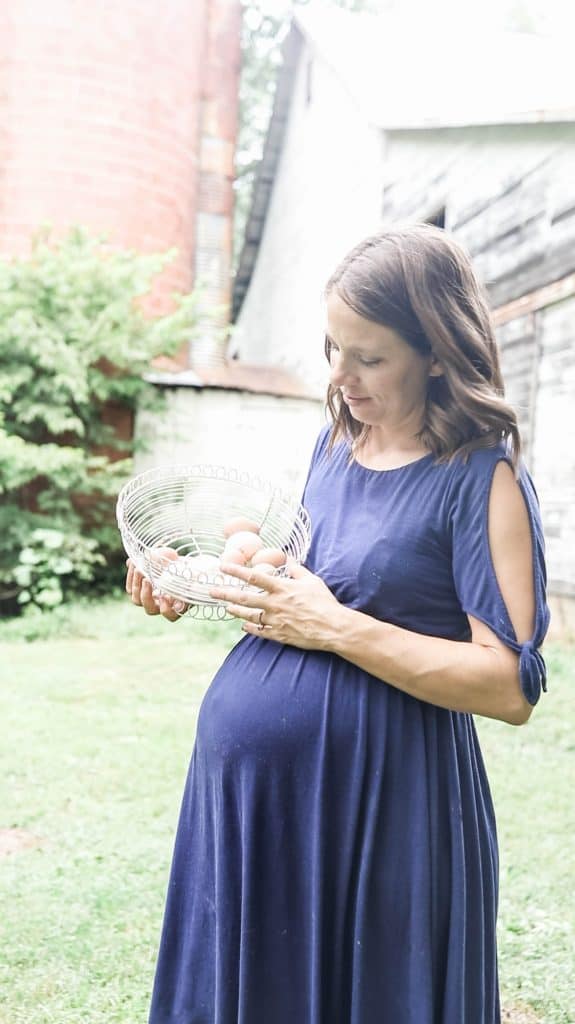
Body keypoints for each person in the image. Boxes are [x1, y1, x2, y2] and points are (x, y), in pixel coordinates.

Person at [126, 223, 549, 1024]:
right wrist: (199, 580)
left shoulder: (481, 477)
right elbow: (315, 586)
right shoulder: (334, 443)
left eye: (369, 356)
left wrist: (334, 629)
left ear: (434, 351)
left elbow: (507, 686)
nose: (341, 376)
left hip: (379, 808)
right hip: (262, 805)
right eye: (332, 348)